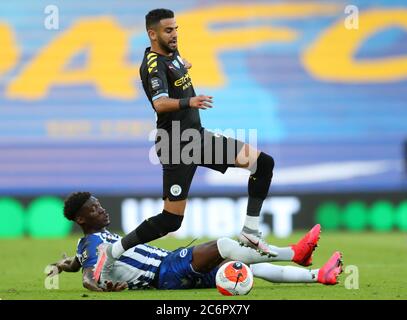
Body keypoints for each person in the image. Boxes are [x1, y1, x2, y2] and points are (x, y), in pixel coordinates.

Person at [102, 7, 284, 262]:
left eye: (176, 28)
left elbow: (176, 69)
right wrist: (190, 102)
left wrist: (182, 66)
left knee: (263, 163)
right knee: (171, 220)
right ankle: (111, 252)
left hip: (197, 137)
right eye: (168, 30)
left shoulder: (171, 54)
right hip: (175, 143)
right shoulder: (153, 66)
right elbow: (160, 103)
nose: (175, 34)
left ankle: (250, 232)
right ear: (152, 34)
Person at [50, 192, 343, 292]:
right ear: (81, 220)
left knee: (241, 267)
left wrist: (61, 266)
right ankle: (295, 252)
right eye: (93, 209)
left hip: (168, 275)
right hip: (165, 270)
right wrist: (98, 287)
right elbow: (89, 276)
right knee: (225, 245)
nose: (101, 210)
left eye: (99, 205)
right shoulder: (92, 242)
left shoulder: (89, 246)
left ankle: (319, 276)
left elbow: (79, 265)